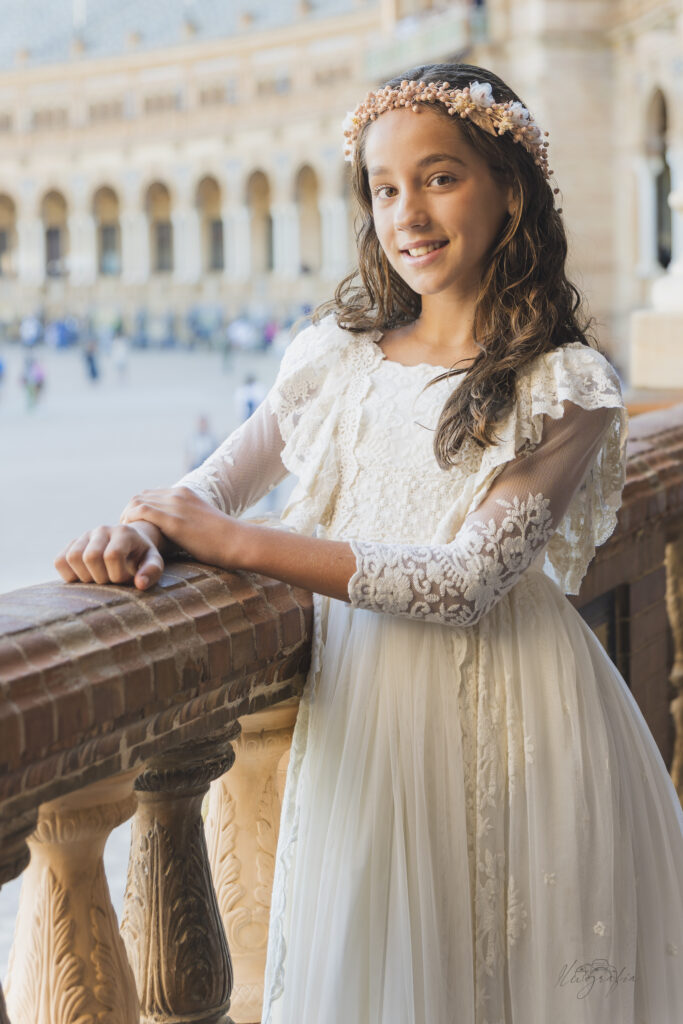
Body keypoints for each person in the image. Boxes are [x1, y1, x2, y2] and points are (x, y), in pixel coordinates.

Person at [55, 62, 683, 1023]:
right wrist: (140, 530)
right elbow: (217, 480)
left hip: (518, 715)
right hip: (369, 717)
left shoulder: (565, 384)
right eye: (384, 189)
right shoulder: (333, 358)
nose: (409, 215)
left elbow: (466, 580)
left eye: (439, 177)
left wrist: (231, 541)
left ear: (509, 188)